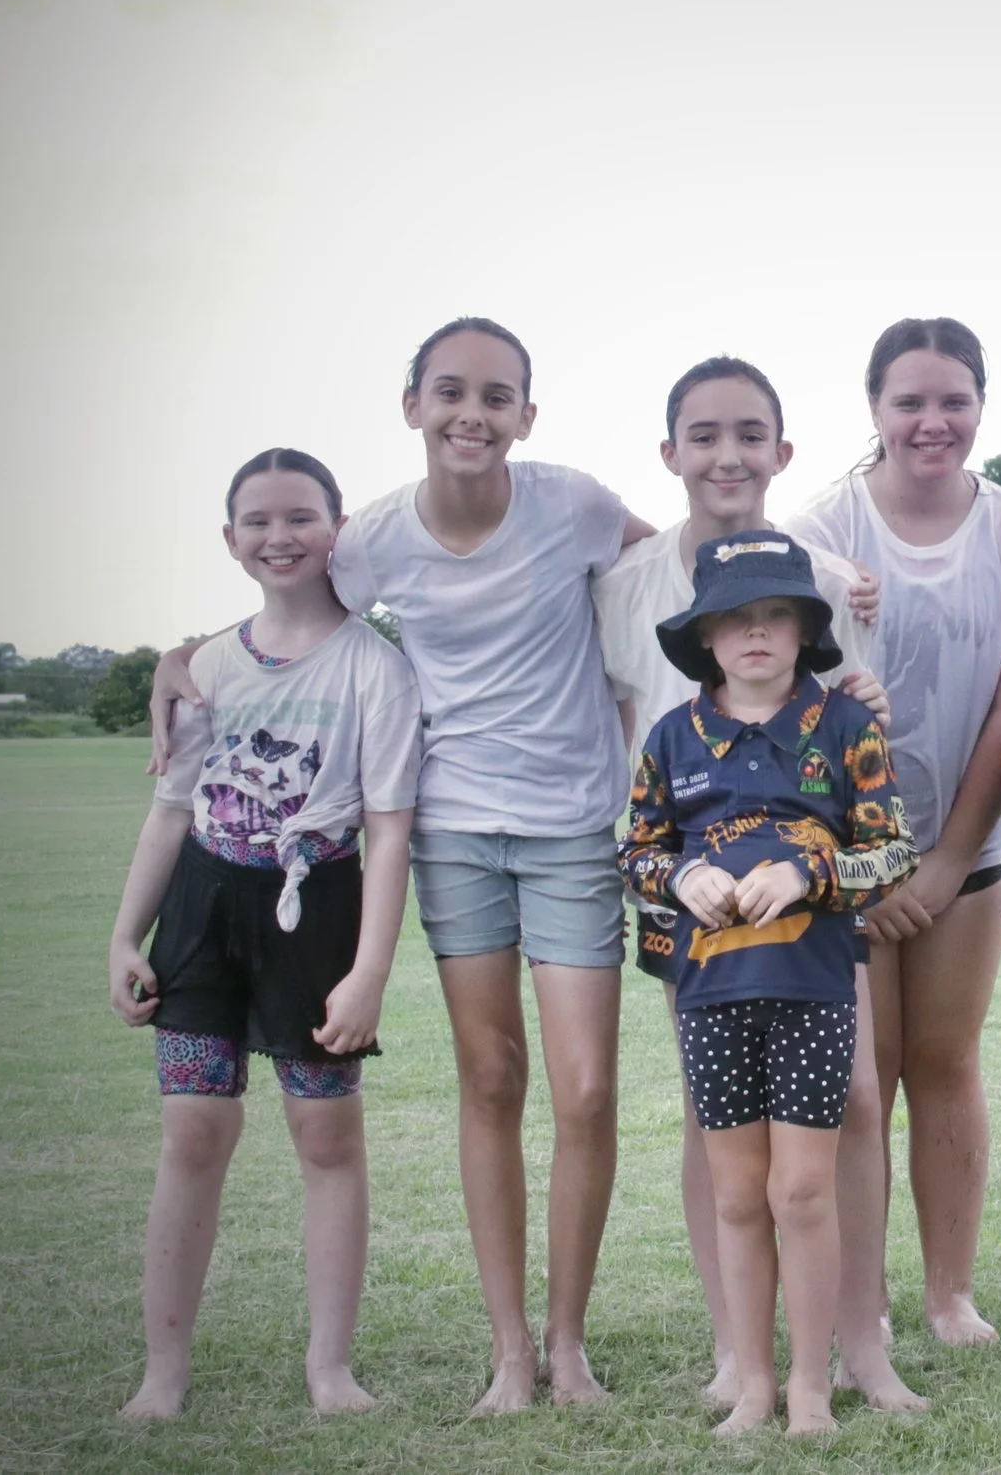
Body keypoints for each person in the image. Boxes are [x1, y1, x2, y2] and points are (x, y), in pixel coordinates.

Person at [152, 317, 652, 1412]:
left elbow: (679, 582)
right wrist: (177, 655)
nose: (473, 412)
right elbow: (282, 622)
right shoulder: (370, 540)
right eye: (451, 391)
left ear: (528, 413)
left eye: (498, 394)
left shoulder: (574, 503)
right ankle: (510, 1354)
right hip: (452, 829)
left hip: (572, 824)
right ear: (414, 405)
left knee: (588, 1086)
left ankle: (570, 1347)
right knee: (490, 1075)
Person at [591, 355, 918, 1412]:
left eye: (778, 614)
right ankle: (746, 1364)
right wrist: (677, 875)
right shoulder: (649, 661)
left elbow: (878, 823)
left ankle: (841, 1356)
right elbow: (636, 832)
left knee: (829, 1142)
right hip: (707, 956)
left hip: (817, 956)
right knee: (726, 1158)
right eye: (736, 619)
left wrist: (811, 864)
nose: (758, 631)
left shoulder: (832, 637)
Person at [106, 448, 420, 1418]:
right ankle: (163, 1374)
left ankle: (330, 1367)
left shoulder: (374, 663)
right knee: (192, 1130)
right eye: (257, 519)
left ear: (336, 530)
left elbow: (387, 826)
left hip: (313, 905)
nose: (278, 536)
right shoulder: (205, 665)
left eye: (299, 516)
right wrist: (125, 936)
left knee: (325, 1133)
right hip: (203, 908)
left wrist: (369, 970)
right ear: (231, 537)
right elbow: (169, 810)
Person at [789, 319, 1001, 1353]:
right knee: (864, 1076)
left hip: (965, 846)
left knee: (943, 1058)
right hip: (844, 854)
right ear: (874, 409)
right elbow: (787, 699)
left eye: (953, 400)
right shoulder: (823, 528)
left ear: (981, 405)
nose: (932, 421)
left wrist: (947, 859)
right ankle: (866, 1302)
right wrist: (874, 863)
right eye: (910, 401)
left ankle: (949, 1293)